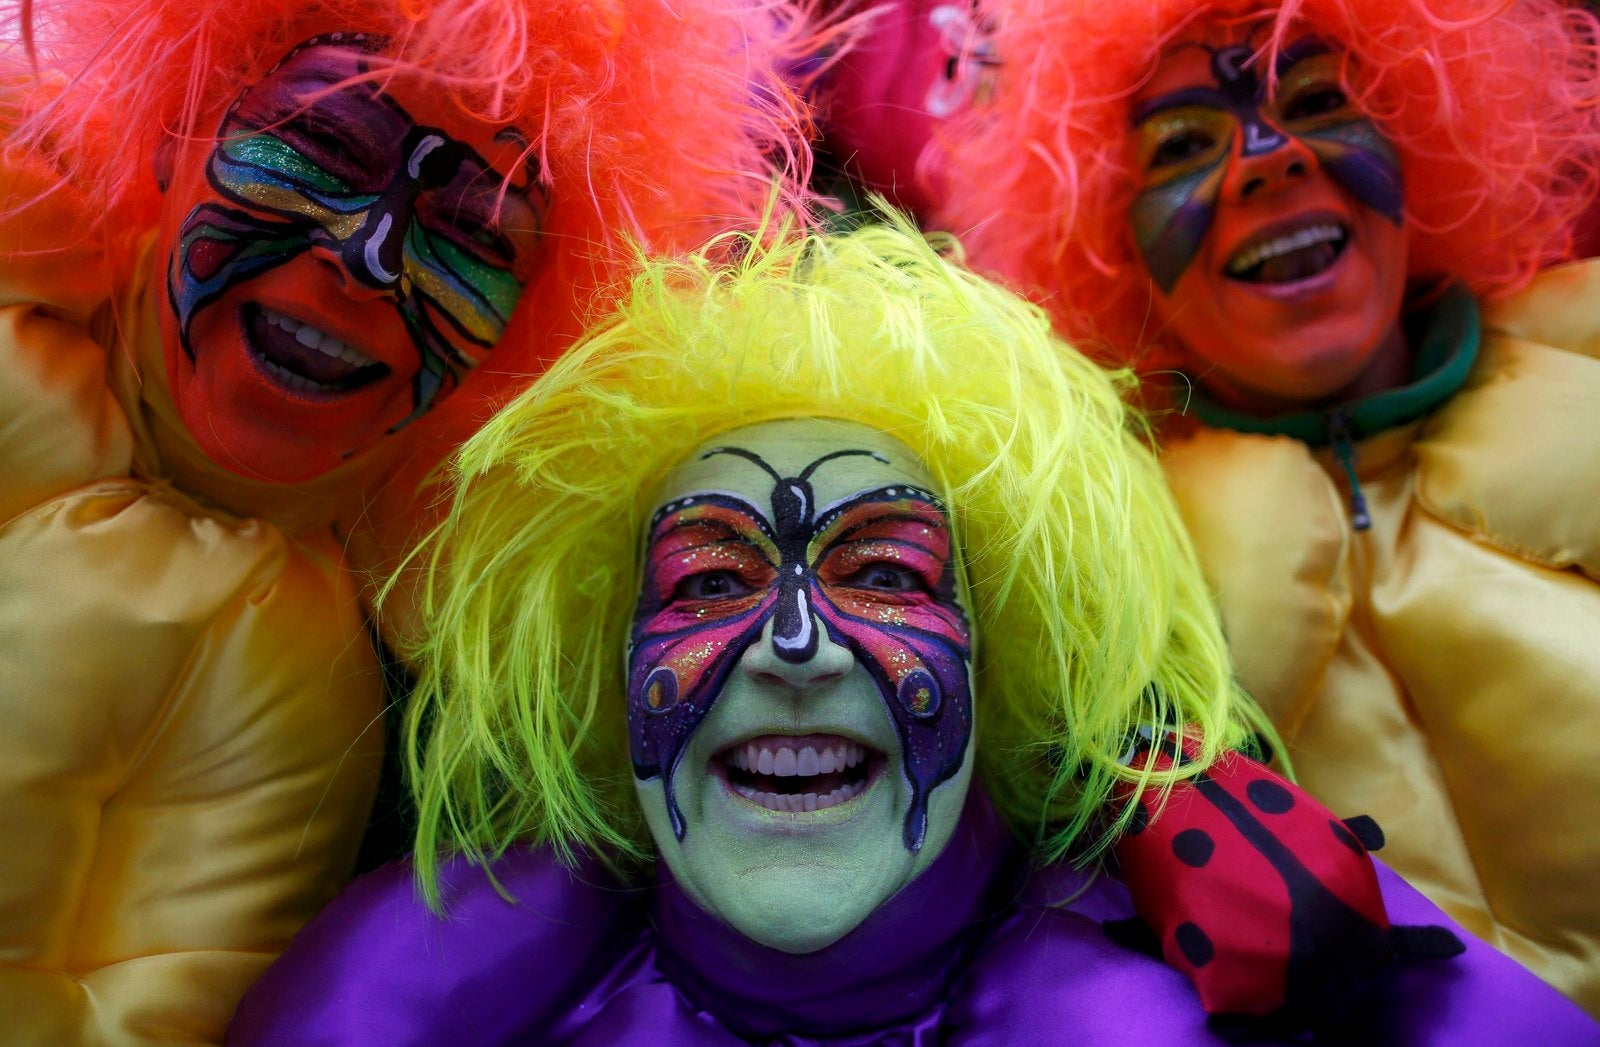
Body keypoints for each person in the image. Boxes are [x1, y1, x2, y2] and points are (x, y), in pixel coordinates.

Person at [226, 223, 1595, 1044]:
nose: (798, 644)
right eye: (708, 583)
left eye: (885, 570)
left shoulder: (1208, 947)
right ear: (607, 662)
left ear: (998, 655)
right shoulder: (453, 967)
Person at [0, 0, 814, 1039]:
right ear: (178, 128)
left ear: (524, 333)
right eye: (324, 144)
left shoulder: (299, 684)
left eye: (473, 232)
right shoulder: (22, 249)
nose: (370, 254)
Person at [932, 0, 1600, 1014]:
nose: (1266, 158)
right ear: (1101, 235)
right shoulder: (1092, 559)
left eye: (1321, 99)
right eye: (1182, 146)